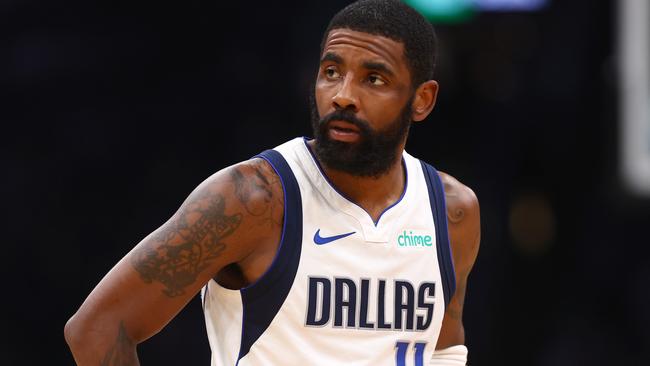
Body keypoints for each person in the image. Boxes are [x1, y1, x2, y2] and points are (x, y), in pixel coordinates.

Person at [64, 0, 480, 365]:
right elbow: (98, 328)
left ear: (422, 99)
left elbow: (442, 350)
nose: (343, 95)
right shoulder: (253, 200)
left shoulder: (452, 210)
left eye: (374, 79)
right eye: (331, 71)